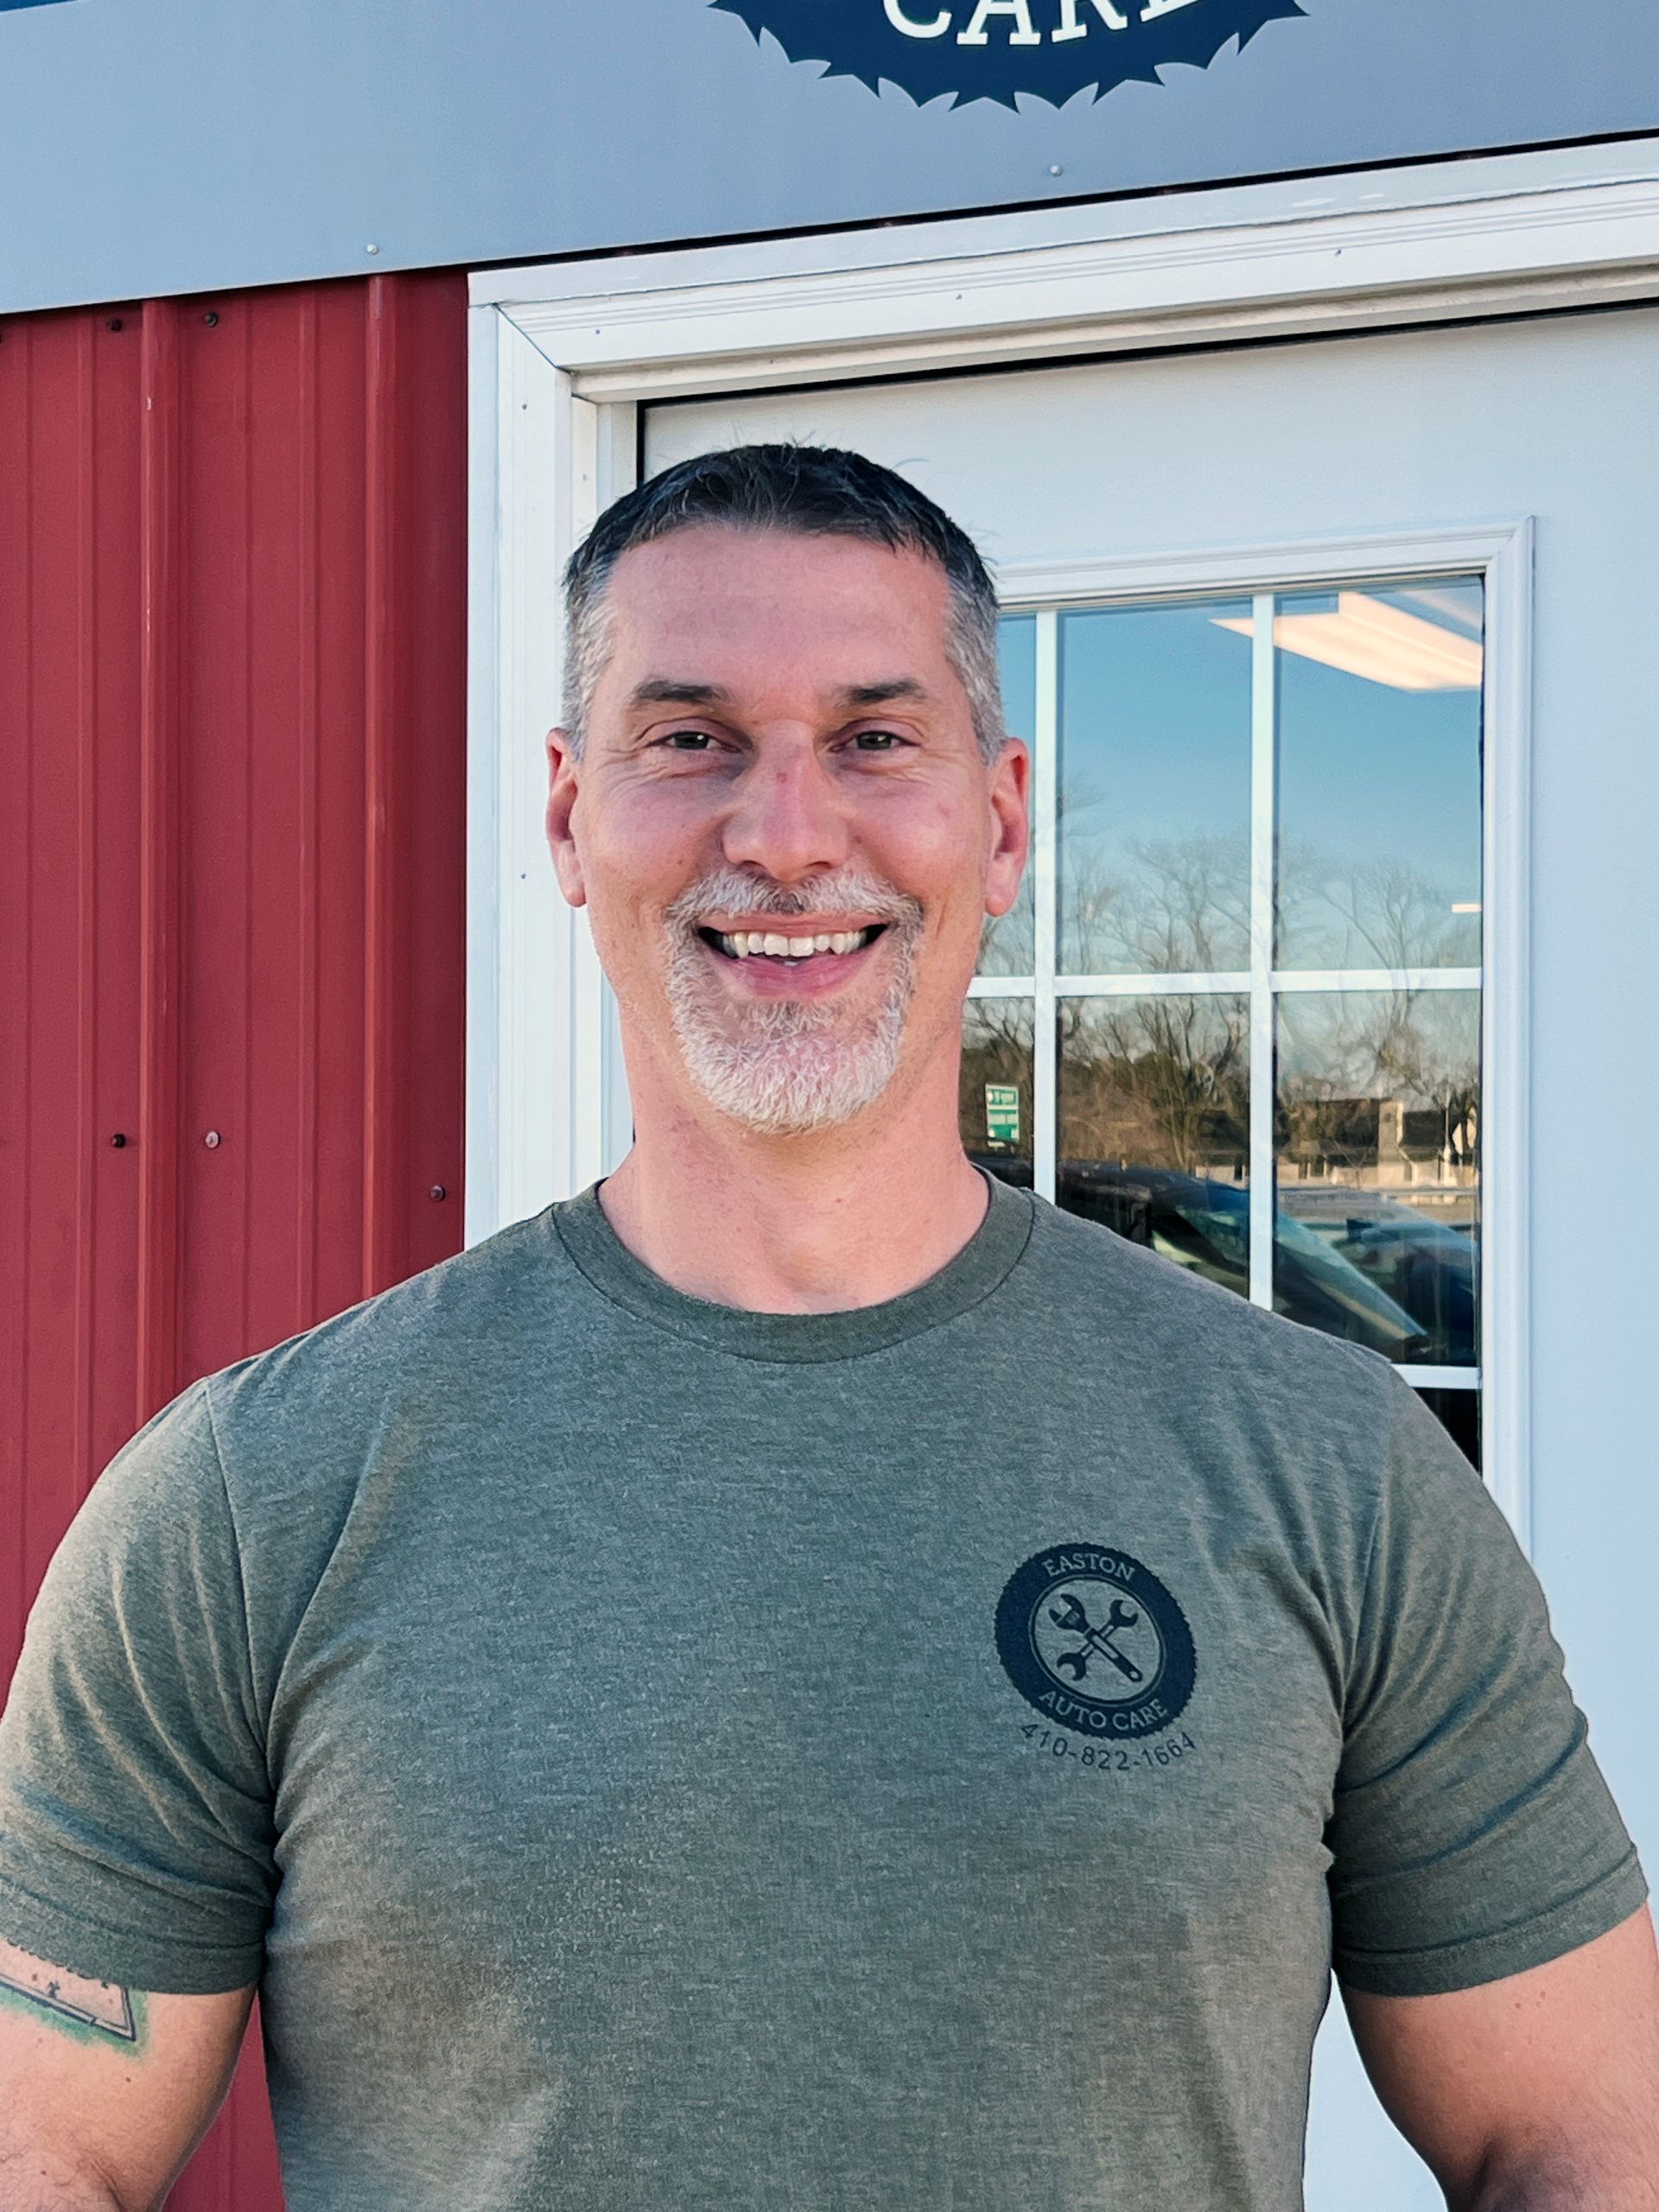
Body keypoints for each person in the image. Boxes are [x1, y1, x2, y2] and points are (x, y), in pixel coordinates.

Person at [0, 444, 1654, 2212]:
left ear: (1001, 818)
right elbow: (51, 2148)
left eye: (874, 738)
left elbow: (1574, 2133)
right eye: (689, 736)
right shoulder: (248, 1500)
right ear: (569, 817)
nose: (786, 834)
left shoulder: (1336, 1472)